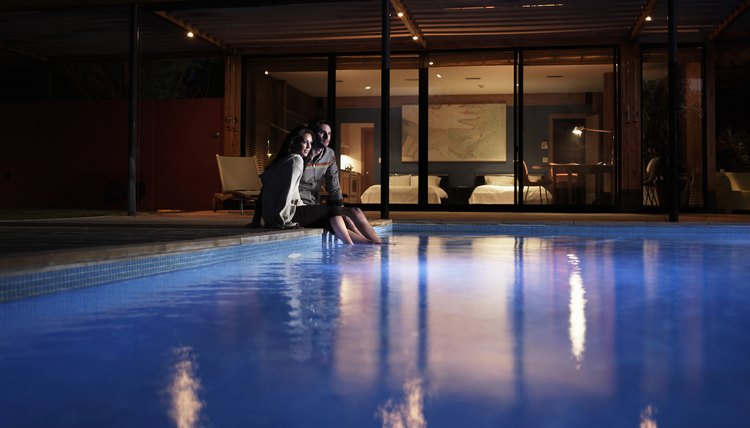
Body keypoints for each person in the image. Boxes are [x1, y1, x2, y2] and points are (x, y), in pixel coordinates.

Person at [255, 126, 377, 245]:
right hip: (284, 215)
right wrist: (283, 221)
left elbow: (266, 191)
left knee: (334, 219)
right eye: (304, 142)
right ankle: (353, 245)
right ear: (295, 143)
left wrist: (257, 220)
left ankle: (365, 243)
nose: (308, 146)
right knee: (333, 210)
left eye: (310, 143)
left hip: (272, 216)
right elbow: (287, 192)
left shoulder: (282, 161)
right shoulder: (296, 160)